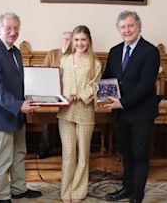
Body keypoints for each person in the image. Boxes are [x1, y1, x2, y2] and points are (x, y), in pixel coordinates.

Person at [0, 12, 42, 203]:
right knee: (3, 159)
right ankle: (4, 196)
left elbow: (19, 82)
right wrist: (18, 105)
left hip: (16, 113)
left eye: (16, 28)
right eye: (9, 28)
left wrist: (32, 97)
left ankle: (19, 189)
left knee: (18, 154)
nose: (13, 32)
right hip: (0, 115)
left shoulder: (14, 51)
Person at [103, 10, 160, 203]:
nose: (127, 30)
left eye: (130, 26)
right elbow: (107, 79)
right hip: (120, 114)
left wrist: (123, 102)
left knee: (140, 155)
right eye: (123, 27)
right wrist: (103, 97)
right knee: (125, 154)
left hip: (141, 113)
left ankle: (137, 195)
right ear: (119, 30)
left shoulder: (150, 51)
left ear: (139, 26)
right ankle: (126, 189)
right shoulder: (115, 51)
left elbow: (146, 84)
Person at [57, 25, 102, 203]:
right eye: (76, 40)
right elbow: (58, 82)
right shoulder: (65, 60)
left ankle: (78, 192)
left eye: (83, 39)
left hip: (85, 111)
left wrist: (78, 95)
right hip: (65, 112)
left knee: (83, 155)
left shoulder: (95, 63)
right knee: (68, 154)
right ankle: (66, 191)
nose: (80, 43)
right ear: (72, 42)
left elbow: (94, 85)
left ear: (89, 40)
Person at [38, 31, 72, 159]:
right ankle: (45, 148)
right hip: (52, 92)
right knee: (48, 119)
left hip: (68, 94)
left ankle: (64, 150)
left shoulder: (75, 55)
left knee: (66, 120)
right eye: (65, 39)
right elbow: (43, 71)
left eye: (70, 39)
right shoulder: (52, 54)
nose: (67, 41)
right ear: (61, 39)